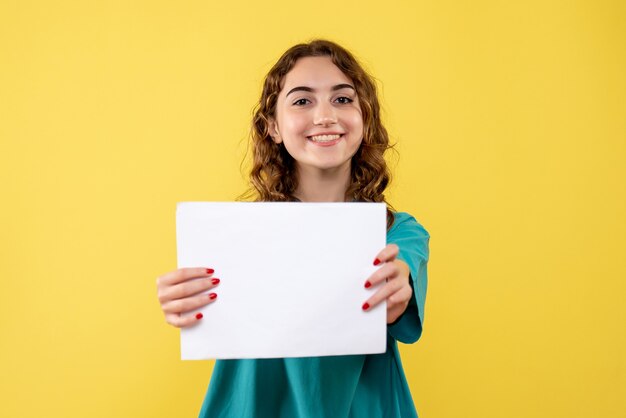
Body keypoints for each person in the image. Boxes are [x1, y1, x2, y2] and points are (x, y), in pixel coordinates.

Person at [156, 39, 430, 418]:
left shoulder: (397, 232)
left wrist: (397, 287)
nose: (324, 116)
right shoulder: (233, 235)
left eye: (343, 99)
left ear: (365, 119)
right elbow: (205, 309)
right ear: (273, 127)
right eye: (302, 101)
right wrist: (184, 303)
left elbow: (401, 281)